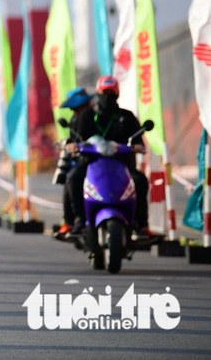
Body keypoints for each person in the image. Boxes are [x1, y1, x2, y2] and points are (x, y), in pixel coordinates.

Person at [65, 76, 151, 237]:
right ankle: (79, 220)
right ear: (98, 93)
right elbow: (76, 139)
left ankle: (140, 224)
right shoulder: (87, 116)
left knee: (140, 180)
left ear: (117, 94)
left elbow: (138, 140)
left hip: (122, 164)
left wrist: (138, 146)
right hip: (91, 163)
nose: (108, 96)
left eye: (111, 93)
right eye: (105, 93)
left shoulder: (127, 116)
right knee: (74, 178)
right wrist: (73, 145)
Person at [53, 88, 93, 240]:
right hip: (82, 159)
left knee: (74, 179)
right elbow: (76, 139)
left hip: (96, 160)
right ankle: (72, 221)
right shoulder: (76, 117)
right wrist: (67, 143)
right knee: (70, 179)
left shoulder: (89, 115)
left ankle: (80, 220)